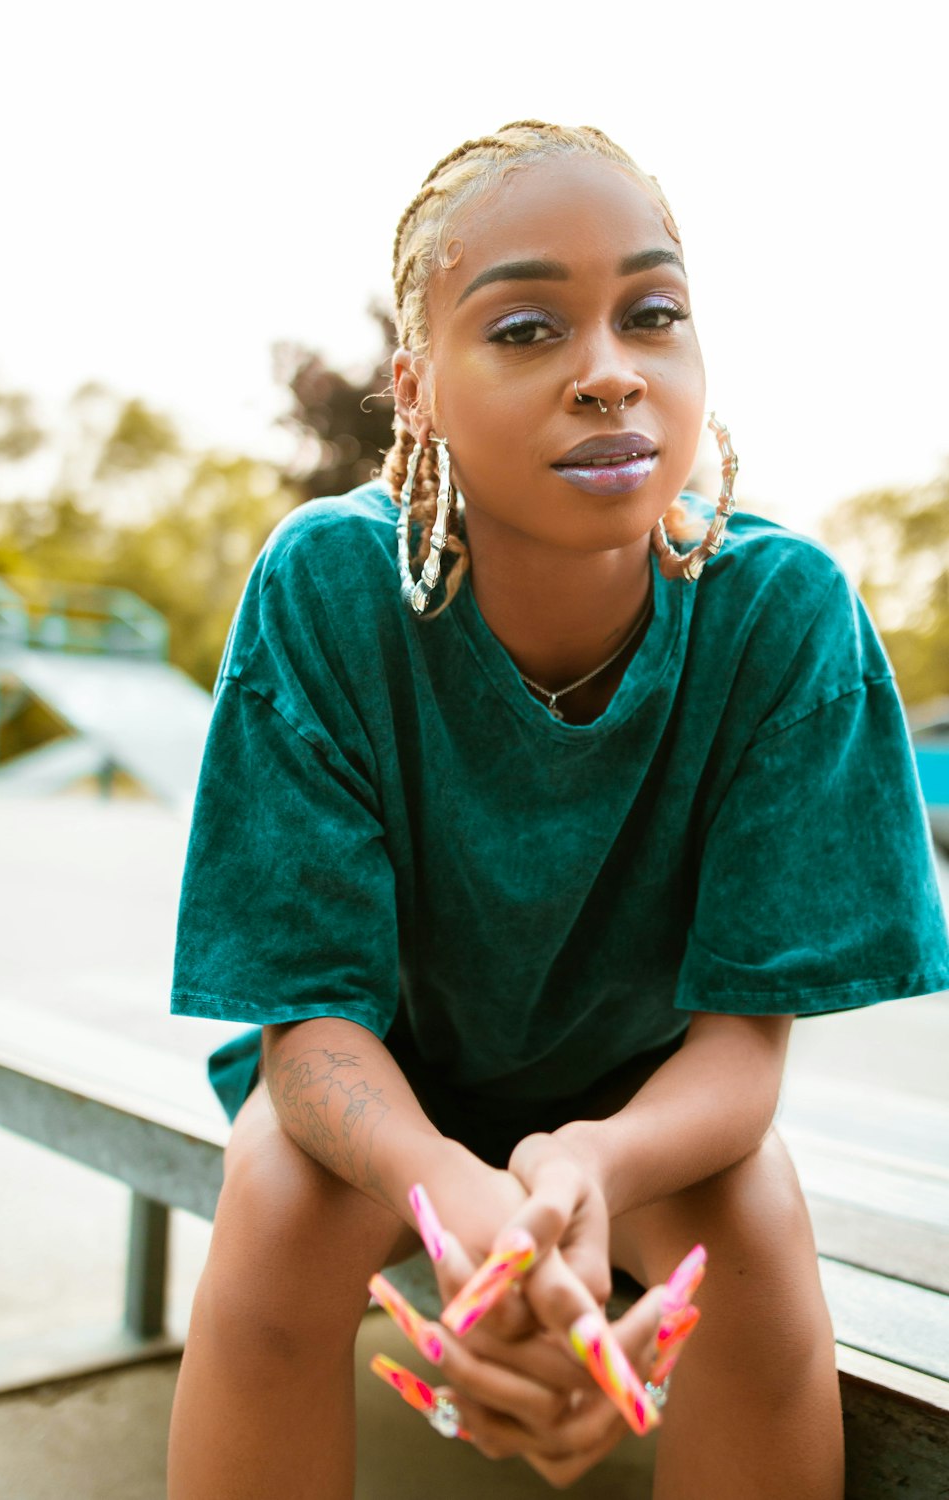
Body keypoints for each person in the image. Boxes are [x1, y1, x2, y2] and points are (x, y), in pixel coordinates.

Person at [166, 122, 949, 1500]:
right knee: (276, 1212)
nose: (608, 373)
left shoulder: (784, 621)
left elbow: (740, 1056)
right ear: (417, 390)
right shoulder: (325, 596)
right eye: (527, 327)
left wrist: (595, 1159)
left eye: (653, 315)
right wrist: (449, 1192)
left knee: (749, 1247)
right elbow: (311, 1033)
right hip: (381, 1096)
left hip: (647, 1106)